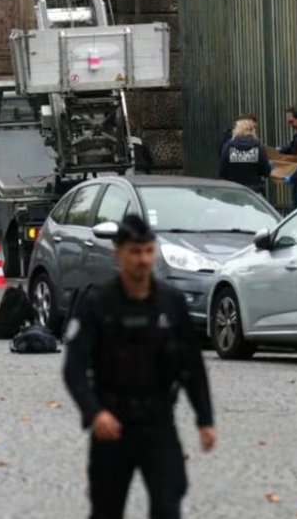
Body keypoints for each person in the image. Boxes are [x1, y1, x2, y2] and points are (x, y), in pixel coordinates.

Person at [63, 214, 216, 519]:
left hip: (158, 422)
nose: (142, 260)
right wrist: (95, 413)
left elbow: (191, 366)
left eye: (147, 251)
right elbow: (74, 367)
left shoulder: (171, 303)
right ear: (119, 253)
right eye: (134, 252)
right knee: (106, 509)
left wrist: (205, 419)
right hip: (112, 424)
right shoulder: (98, 303)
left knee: (167, 505)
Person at [218, 118, 271, 198]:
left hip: (233, 190)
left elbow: (222, 170)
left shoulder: (229, 146)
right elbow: (266, 171)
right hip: (254, 191)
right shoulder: (257, 146)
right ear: (252, 130)